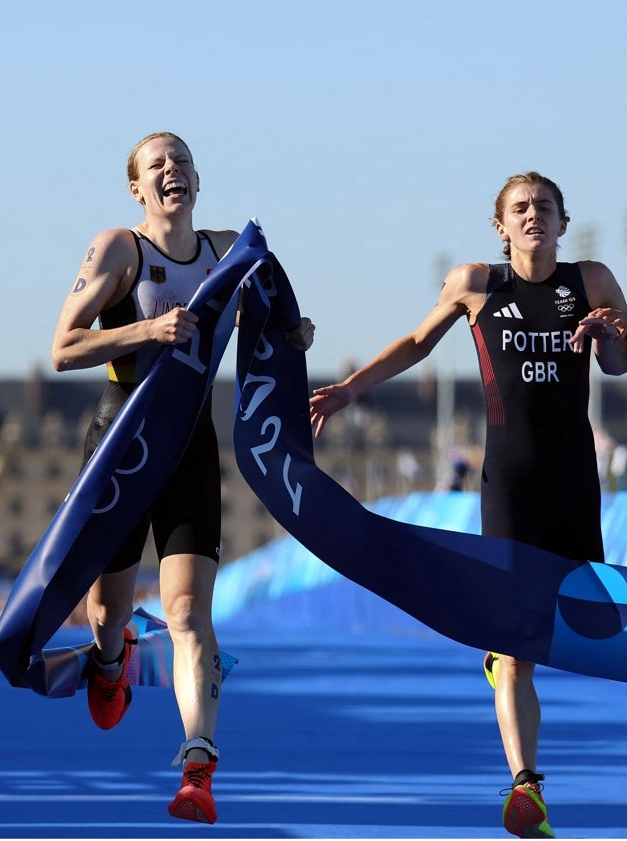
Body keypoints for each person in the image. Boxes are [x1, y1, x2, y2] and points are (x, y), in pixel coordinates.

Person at [309, 172, 627, 839]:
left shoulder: (591, 279)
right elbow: (418, 342)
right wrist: (350, 390)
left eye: (543, 207)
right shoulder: (476, 283)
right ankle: (526, 785)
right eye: (520, 209)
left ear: (562, 223)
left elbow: (620, 365)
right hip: (509, 485)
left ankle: (503, 665)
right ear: (500, 226)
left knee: (586, 628)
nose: (532, 215)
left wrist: (608, 336)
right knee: (516, 650)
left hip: (573, 481)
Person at [51, 131, 314, 825]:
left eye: (184, 162)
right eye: (157, 165)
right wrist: (146, 331)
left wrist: (293, 336)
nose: (174, 171)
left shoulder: (226, 250)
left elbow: (266, 321)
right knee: (106, 611)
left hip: (190, 445)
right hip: (120, 442)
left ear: (198, 180)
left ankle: (198, 766)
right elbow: (62, 348)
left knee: (189, 614)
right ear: (137, 188)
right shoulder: (118, 249)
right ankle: (110, 660)